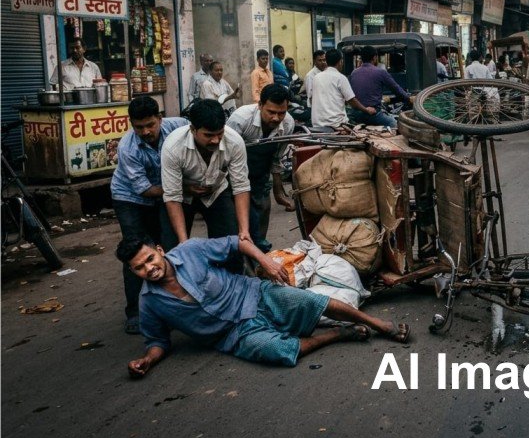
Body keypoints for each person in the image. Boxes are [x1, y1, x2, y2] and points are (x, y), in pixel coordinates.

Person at [118, 235, 410, 377]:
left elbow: (237, 243)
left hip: (254, 294)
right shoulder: (149, 302)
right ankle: (337, 334)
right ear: (133, 271)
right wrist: (147, 360)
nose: (149, 269)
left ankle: (377, 324)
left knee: (309, 301)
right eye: (139, 268)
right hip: (233, 334)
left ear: (159, 251)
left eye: (150, 259)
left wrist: (265, 261)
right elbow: (157, 341)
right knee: (277, 352)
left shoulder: (190, 250)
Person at [110, 97, 189, 335]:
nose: (145, 131)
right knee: (135, 251)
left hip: (165, 194)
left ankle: (171, 304)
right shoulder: (127, 148)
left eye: (150, 125)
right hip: (130, 198)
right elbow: (144, 189)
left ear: (160, 119)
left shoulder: (179, 127)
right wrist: (183, 188)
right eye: (139, 127)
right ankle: (135, 311)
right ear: (131, 124)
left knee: (167, 246)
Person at [160, 99, 251, 274]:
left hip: (217, 192)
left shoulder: (234, 141)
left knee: (231, 248)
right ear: (193, 129)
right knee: (174, 250)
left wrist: (244, 230)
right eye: (208, 135)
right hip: (183, 196)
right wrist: (184, 242)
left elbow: (241, 186)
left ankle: (232, 285)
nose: (215, 140)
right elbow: (172, 197)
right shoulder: (173, 147)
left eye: (219, 133)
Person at [226, 84, 296, 254]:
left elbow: (277, 157)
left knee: (262, 212)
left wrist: (278, 190)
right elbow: (224, 156)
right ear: (260, 105)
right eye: (271, 112)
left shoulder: (288, 124)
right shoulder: (239, 120)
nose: (276, 118)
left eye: (281, 113)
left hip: (261, 171)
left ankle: (258, 255)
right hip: (232, 173)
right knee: (235, 219)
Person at [310, 48, 377, 130]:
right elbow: (352, 101)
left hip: (317, 124)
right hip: (336, 124)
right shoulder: (341, 78)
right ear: (340, 62)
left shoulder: (316, 77)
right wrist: (366, 110)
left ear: (326, 61)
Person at [348, 45, 411, 128]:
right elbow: (397, 89)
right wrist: (408, 98)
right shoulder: (381, 72)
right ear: (374, 57)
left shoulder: (354, 73)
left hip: (356, 114)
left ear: (361, 58)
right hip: (373, 114)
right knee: (397, 125)